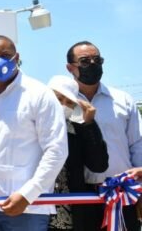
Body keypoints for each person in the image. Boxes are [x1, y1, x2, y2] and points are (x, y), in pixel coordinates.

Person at [0, 35, 68, 230]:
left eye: (6, 55)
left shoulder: (38, 93)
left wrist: (28, 193)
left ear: (16, 57)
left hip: (27, 208)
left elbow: (56, 149)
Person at [65, 41, 142, 230]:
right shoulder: (63, 102)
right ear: (70, 68)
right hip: (81, 196)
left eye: (97, 59)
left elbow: (137, 143)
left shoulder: (122, 100)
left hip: (123, 192)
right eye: (84, 61)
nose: (92, 64)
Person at [46, 75, 108, 231]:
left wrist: (90, 124)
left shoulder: (78, 131)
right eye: (59, 99)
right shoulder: (28, 127)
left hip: (69, 215)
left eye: (69, 103)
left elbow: (99, 165)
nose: (63, 105)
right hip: (34, 210)